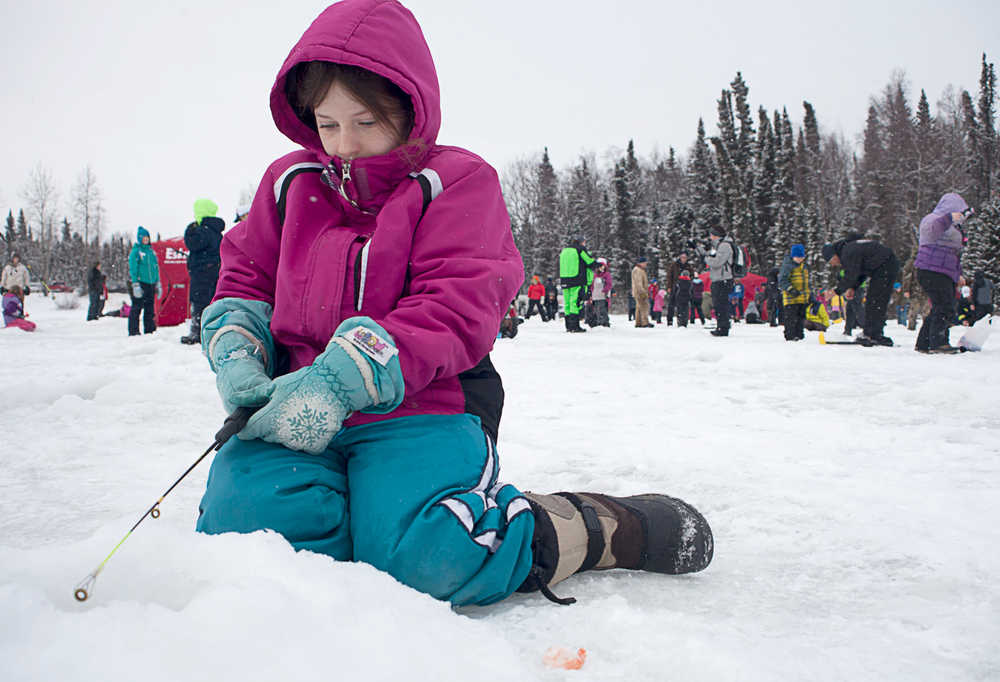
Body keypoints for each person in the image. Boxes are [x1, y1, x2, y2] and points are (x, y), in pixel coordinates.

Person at [193, 0, 711, 610]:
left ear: (408, 111)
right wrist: (237, 347)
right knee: (246, 540)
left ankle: (588, 528)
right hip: (292, 409)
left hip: (424, 402)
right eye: (328, 125)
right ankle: (361, 527)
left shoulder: (456, 182)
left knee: (429, 558)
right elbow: (246, 276)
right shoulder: (291, 182)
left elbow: (457, 302)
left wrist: (345, 377)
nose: (344, 146)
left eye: (364, 122)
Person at [911, 193, 971, 353]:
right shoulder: (933, 219)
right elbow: (931, 231)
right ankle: (938, 342)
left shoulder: (954, 227)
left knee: (940, 306)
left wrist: (958, 274)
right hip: (932, 270)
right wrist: (948, 218)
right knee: (945, 306)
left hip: (943, 271)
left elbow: (954, 254)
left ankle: (924, 343)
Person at [821, 233, 899, 347]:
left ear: (833, 255)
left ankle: (870, 334)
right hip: (887, 265)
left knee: (875, 301)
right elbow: (861, 271)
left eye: (831, 261)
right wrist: (853, 287)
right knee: (877, 300)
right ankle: (875, 333)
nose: (834, 264)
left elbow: (851, 275)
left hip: (884, 267)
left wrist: (835, 291)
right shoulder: (851, 248)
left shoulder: (847, 253)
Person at [181, 199, 226, 344]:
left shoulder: (202, 231)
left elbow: (192, 243)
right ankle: (212, 329)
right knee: (211, 300)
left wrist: (190, 229)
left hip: (202, 272)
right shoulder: (216, 230)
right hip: (215, 270)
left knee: (199, 300)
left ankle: (197, 332)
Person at [695, 226, 734, 336]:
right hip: (720, 278)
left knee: (720, 304)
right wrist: (700, 250)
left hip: (723, 279)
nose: (710, 237)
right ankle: (722, 325)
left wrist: (706, 259)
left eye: (712, 235)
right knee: (719, 304)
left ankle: (723, 328)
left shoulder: (724, 245)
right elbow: (712, 257)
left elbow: (717, 262)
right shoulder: (719, 245)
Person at [127, 226, 161, 336]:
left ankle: (149, 329)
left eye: (147, 238)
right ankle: (134, 331)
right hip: (141, 283)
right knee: (137, 307)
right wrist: (135, 283)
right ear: (140, 239)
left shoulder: (151, 252)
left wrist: (158, 282)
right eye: (144, 238)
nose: (146, 240)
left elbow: (156, 268)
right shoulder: (136, 252)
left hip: (151, 283)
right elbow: (133, 268)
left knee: (150, 308)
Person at [559, 237, 596, 333]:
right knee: (574, 303)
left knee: (567, 303)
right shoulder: (580, 249)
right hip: (576, 280)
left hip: (564, 279)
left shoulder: (564, 251)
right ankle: (575, 326)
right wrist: (598, 265)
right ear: (581, 243)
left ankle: (568, 326)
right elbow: (589, 261)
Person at [778, 244, 809, 341]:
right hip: (791, 298)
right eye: (797, 257)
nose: (799, 259)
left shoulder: (804, 267)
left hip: (802, 297)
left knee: (801, 317)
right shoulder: (788, 266)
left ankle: (799, 333)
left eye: (801, 257)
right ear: (793, 256)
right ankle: (790, 334)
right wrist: (791, 289)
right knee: (791, 317)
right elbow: (782, 280)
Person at [665, 252, 691, 326]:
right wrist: (669, 286)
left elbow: (691, 275)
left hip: (684, 288)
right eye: (682, 257)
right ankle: (669, 320)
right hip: (674, 286)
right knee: (671, 304)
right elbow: (669, 276)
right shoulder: (674, 265)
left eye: (685, 257)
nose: (683, 259)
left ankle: (682, 320)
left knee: (683, 305)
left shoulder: (688, 266)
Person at [631, 257, 653, 328]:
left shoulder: (639, 270)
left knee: (639, 307)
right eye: (645, 263)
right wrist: (643, 292)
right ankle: (644, 322)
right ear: (641, 263)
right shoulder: (638, 270)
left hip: (638, 291)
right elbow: (638, 283)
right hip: (640, 292)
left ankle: (639, 322)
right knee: (644, 306)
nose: (646, 264)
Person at [590, 258, 612, 327]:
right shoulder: (594, 275)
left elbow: (609, 284)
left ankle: (604, 322)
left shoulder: (606, 275)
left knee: (602, 309)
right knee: (596, 309)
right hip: (595, 295)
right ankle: (597, 321)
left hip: (603, 295)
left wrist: (605, 291)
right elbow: (591, 285)